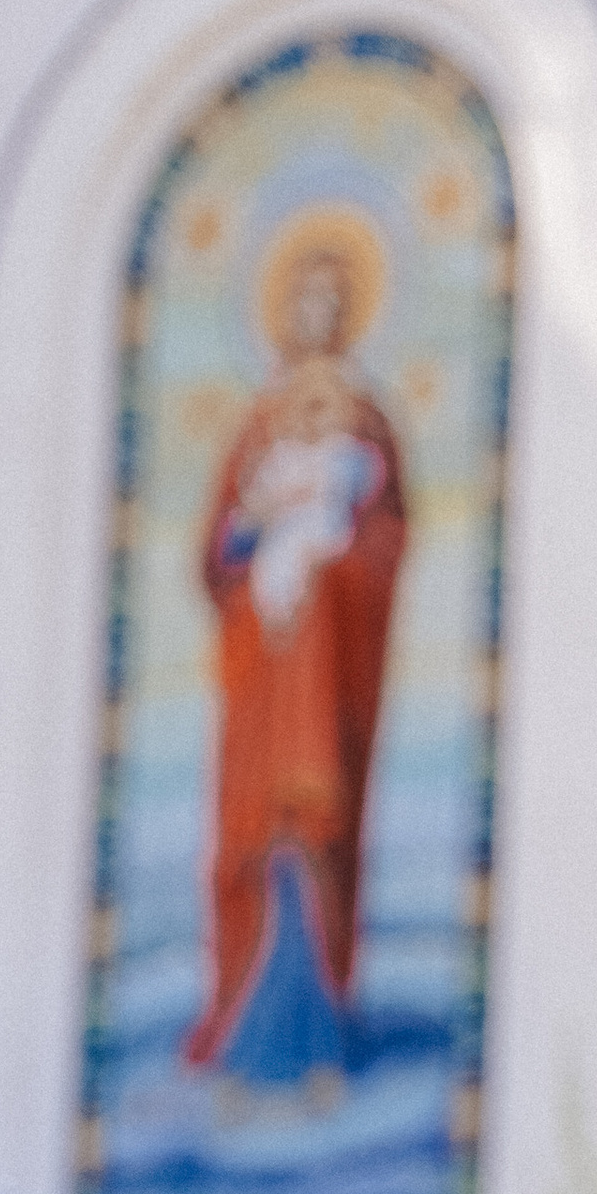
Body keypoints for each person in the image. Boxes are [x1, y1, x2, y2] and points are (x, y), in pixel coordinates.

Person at [186, 229, 407, 1073]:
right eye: (303, 300)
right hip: (263, 678)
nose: (316, 316)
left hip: (327, 681)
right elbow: (218, 552)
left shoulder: (366, 425)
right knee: (249, 841)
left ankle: (320, 1027)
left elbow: (387, 540)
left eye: (332, 302)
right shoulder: (259, 428)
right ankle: (235, 1019)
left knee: (314, 835)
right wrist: (262, 546)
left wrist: (332, 560)